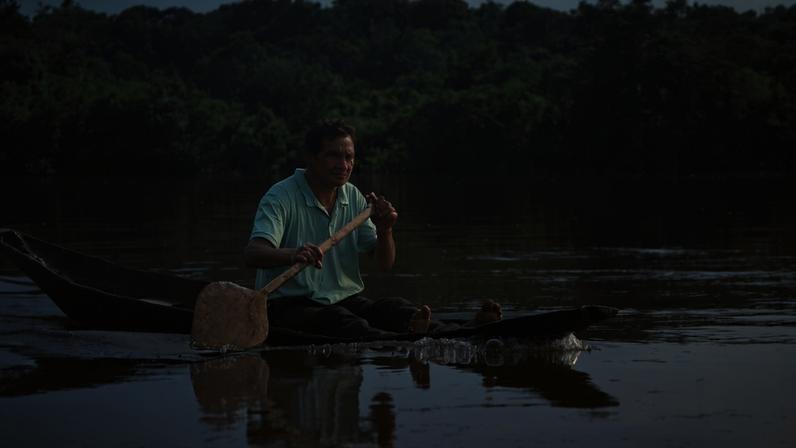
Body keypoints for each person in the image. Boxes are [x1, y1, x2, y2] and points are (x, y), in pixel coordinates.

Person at [244, 119, 501, 338]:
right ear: (311, 159)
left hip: (342, 300)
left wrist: (386, 229)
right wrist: (293, 254)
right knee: (345, 322)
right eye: (333, 155)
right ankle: (408, 341)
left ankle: (467, 329)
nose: (343, 165)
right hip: (288, 306)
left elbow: (383, 264)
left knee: (395, 309)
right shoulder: (280, 196)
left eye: (349, 157)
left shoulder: (353, 197)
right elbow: (253, 253)